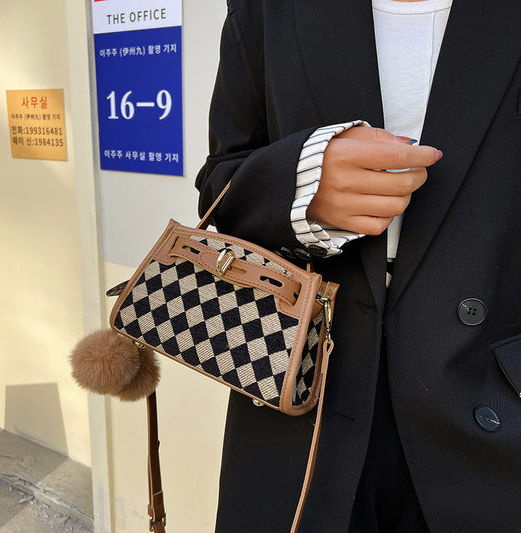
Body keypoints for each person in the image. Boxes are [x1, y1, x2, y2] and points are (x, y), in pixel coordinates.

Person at [196, 0, 521, 531]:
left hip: (495, 401)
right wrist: (301, 184)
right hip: (301, 396)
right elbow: (219, 181)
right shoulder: (266, 10)